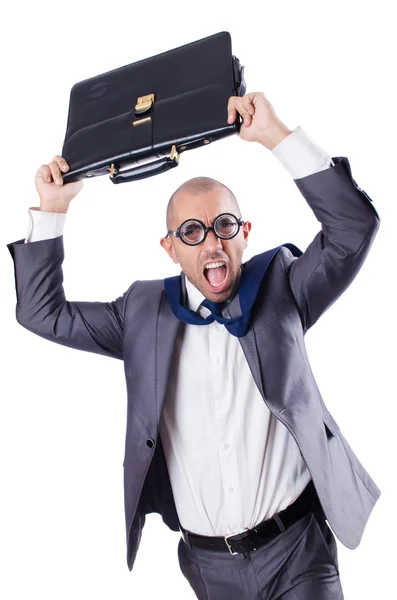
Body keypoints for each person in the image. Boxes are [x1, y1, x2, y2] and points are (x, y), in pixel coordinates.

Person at [7, 91, 381, 599]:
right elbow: (42, 313)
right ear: (170, 248)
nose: (211, 242)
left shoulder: (284, 285)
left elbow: (353, 228)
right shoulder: (141, 314)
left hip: (298, 554)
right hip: (209, 569)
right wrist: (52, 210)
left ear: (245, 233)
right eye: (191, 231)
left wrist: (275, 135)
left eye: (224, 225)